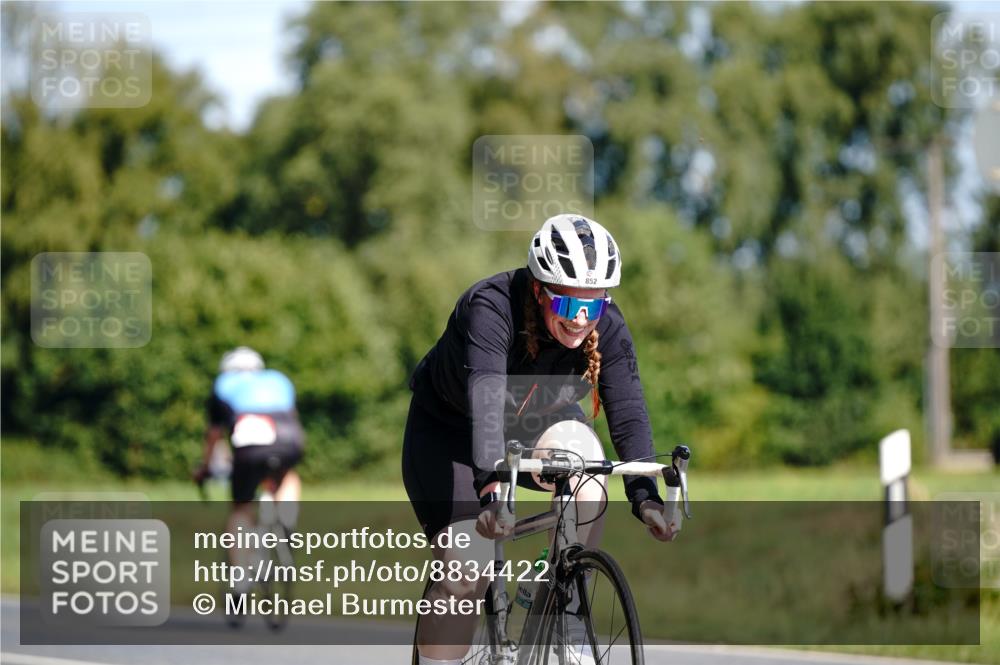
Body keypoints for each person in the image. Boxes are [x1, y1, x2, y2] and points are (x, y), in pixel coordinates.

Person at [403, 214, 675, 665]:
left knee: (588, 464)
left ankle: (563, 600)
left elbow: (627, 411)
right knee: (466, 570)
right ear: (538, 289)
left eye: (595, 307)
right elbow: (487, 398)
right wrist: (492, 492)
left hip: (534, 425)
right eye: (569, 307)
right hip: (451, 431)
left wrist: (645, 496)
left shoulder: (606, 328)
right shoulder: (490, 306)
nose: (581, 320)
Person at [195, 347, 305, 550]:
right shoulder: (277, 379)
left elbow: (214, 435)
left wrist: (205, 467)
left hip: (249, 445)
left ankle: (241, 576)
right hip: (289, 439)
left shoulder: (223, 384)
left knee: (241, 508)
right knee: (287, 475)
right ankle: (287, 517)